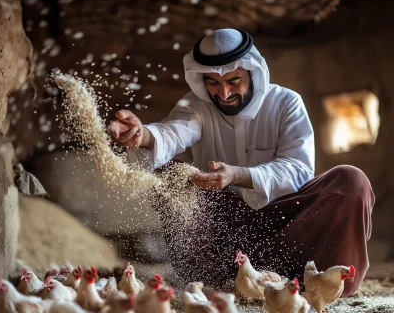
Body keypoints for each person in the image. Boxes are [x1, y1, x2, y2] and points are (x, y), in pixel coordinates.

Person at [108, 28, 374, 296]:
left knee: (351, 180)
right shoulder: (197, 106)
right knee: (172, 175)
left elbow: (298, 170)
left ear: (252, 72)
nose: (223, 93)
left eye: (234, 81)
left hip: (288, 223)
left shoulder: (286, 103)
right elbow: (174, 131)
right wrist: (144, 136)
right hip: (225, 230)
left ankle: (320, 283)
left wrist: (238, 175)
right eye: (213, 82)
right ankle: (217, 280)